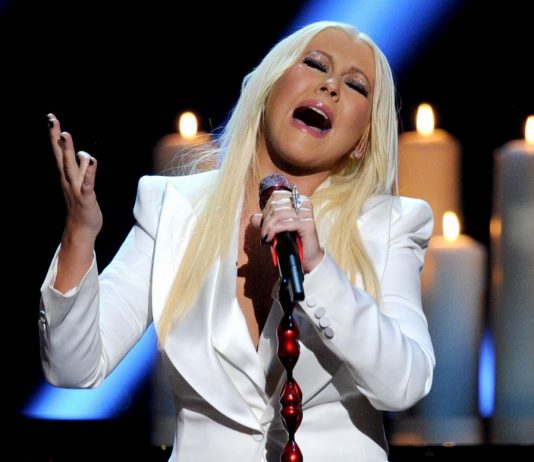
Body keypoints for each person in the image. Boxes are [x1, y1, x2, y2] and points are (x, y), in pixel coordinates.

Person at [40, 20, 435, 461]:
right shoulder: (171, 208)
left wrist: (320, 270)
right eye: (314, 64)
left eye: (356, 85)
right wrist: (80, 231)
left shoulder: (390, 226)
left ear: (362, 141)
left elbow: (404, 385)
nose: (331, 86)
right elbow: (72, 367)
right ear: (268, 88)